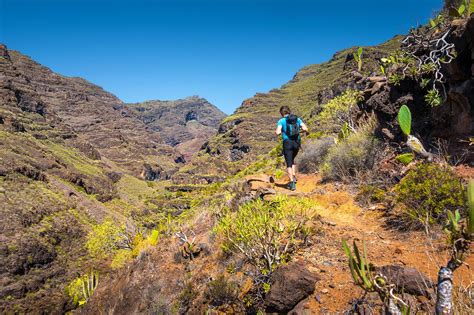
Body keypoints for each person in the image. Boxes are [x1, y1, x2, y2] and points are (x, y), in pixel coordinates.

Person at [275, 106, 309, 191]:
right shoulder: (297, 119)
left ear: (282, 113)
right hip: (297, 143)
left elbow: (278, 132)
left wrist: (278, 132)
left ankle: (291, 183)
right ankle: (293, 176)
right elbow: (305, 128)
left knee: (289, 163)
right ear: (289, 111)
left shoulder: (281, 121)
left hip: (287, 143)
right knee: (293, 160)